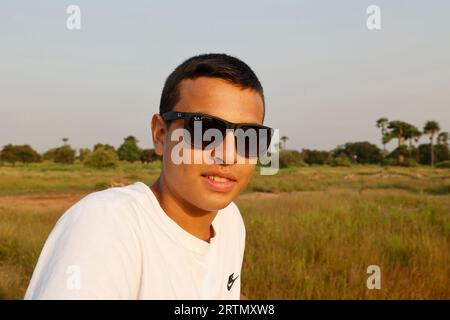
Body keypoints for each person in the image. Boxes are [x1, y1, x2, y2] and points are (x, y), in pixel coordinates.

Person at [25, 53, 272, 299]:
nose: (228, 155)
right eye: (205, 131)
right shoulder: (108, 223)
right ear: (161, 134)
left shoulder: (229, 222)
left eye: (249, 137)